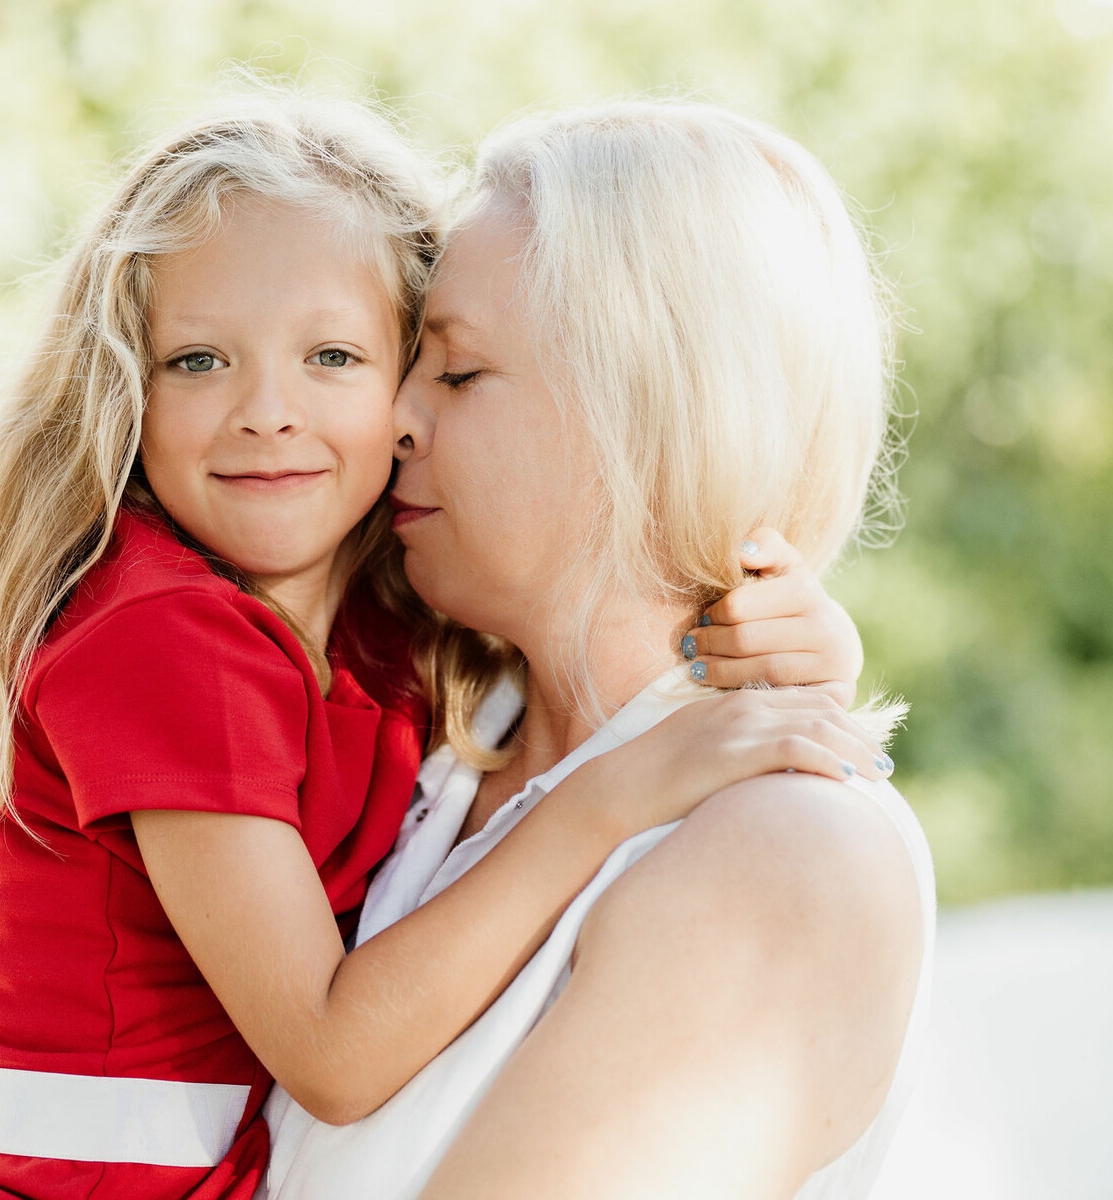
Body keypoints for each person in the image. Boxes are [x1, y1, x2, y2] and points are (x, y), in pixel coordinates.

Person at [0, 90, 886, 1200]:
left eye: (338, 356)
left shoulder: (389, 621)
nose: (268, 411)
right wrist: (618, 796)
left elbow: (623, 638)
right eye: (197, 361)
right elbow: (332, 1054)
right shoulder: (157, 633)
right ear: (123, 392)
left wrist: (790, 649)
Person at [260, 99, 934, 1200]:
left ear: (647, 409)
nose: (394, 419)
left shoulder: (788, 853)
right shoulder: (431, 749)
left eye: (459, 372)